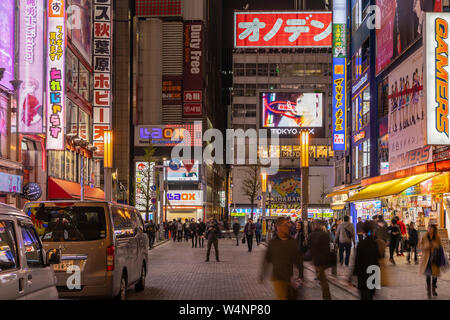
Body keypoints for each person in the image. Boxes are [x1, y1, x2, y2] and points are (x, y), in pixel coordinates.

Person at [259, 217, 300, 300]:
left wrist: (300, 276)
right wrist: (262, 274)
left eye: (288, 224)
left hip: (289, 277)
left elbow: (298, 259)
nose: (288, 226)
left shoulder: (292, 241)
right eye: (285, 225)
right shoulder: (273, 242)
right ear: (278, 227)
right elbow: (267, 259)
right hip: (277, 277)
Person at [352, 222, 380, 300]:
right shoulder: (375, 244)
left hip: (364, 275)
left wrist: (353, 275)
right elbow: (379, 258)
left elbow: (357, 261)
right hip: (374, 273)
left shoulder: (361, 244)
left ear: (364, 231)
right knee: (371, 296)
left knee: (364, 296)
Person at [309, 220, 333, 300]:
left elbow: (311, 248)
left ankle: (327, 297)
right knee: (322, 277)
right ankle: (326, 296)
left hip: (317, 260)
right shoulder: (325, 234)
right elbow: (328, 247)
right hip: (325, 259)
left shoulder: (312, 235)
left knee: (323, 280)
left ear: (315, 225)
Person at [419, 224, 443, 298]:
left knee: (435, 275)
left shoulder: (437, 237)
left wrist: (435, 245)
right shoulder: (424, 236)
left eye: (430, 228)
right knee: (428, 275)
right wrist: (426, 246)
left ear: (433, 229)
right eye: (428, 228)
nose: (429, 229)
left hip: (435, 258)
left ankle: (433, 288)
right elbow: (420, 246)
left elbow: (440, 246)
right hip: (427, 259)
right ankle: (429, 291)